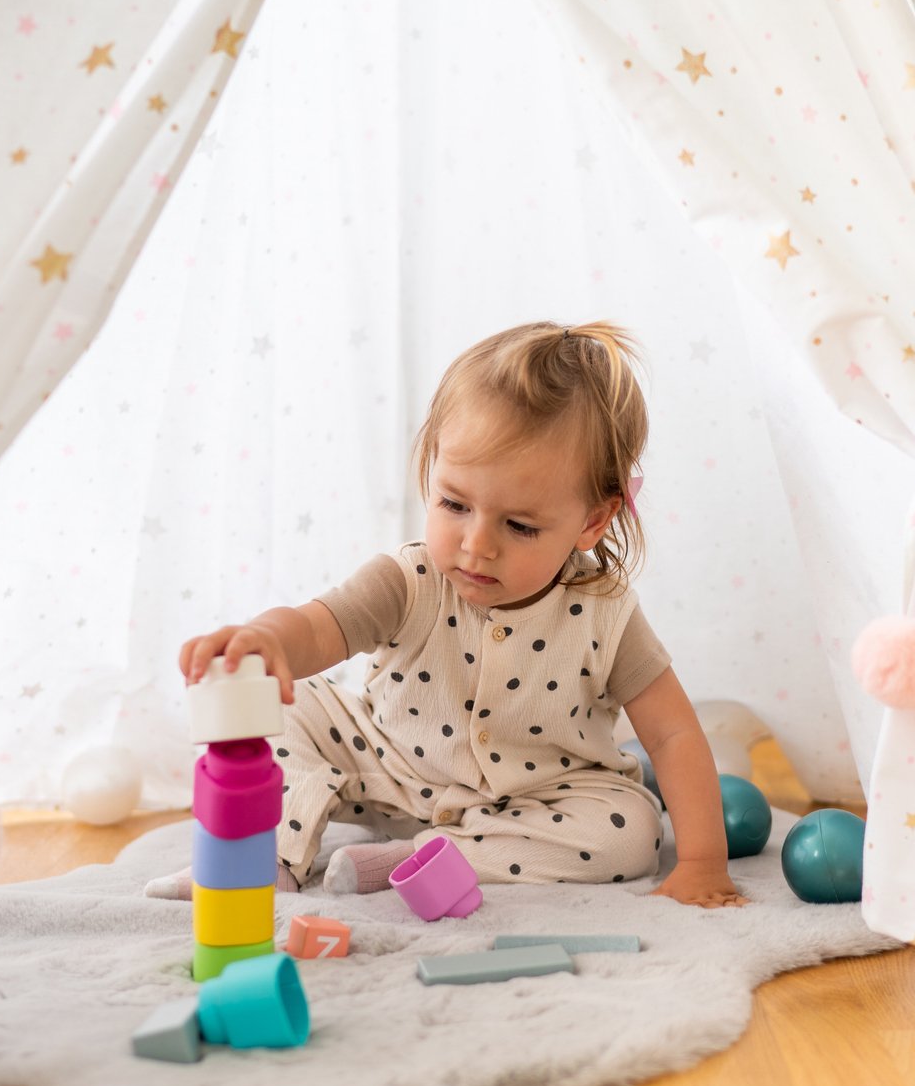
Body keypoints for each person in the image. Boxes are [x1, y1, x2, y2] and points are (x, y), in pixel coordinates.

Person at [161, 320, 747, 909]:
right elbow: (319, 625)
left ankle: (432, 859)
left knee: (631, 829)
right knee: (283, 712)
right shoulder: (409, 579)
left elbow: (671, 733)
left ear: (592, 522)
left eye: (520, 526)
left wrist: (701, 861)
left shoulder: (606, 611)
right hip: (384, 768)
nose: (476, 545)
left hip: (536, 797)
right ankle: (270, 858)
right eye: (454, 504)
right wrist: (268, 640)